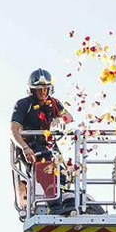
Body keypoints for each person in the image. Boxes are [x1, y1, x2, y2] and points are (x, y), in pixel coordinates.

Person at [8, 70, 70, 211]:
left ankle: (65, 202)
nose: (43, 92)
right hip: (30, 146)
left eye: (45, 88)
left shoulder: (54, 104)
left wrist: (59, 120)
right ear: (32, 90)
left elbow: (68, 117)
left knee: (63, 173)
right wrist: (24, 147)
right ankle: (55, 206)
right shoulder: (23, 104)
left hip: (49, 145)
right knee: (45, 165)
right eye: (39, 89)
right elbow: (13, 129)